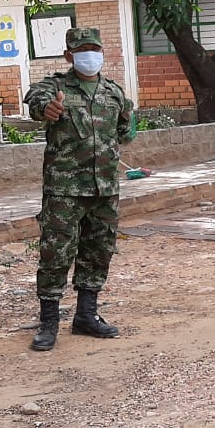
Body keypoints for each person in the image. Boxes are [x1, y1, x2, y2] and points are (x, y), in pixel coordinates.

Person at [24, 27, 135, 351]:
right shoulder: (56, 87)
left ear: (101, 52)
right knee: (55, 255)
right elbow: (35, 98)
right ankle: (49, 322)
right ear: (69, 55)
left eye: (94, 48)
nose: (90, 54)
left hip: (104, 189)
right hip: (65, 190)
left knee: (98, 252)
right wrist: (46, 108)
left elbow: (125, 131)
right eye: (82, 49)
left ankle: (87, 314)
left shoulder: (113, 92)